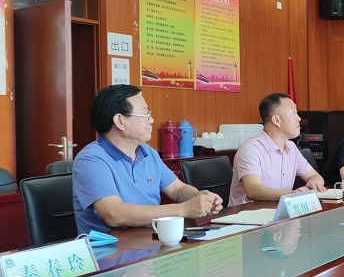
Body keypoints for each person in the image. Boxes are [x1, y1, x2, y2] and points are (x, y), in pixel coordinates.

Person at [73, 85, 222, 234]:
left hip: (151, 240)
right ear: (120, 121)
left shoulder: (148, 152)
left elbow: (177, 189)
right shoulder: (91, 159)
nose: (151, 120)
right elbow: (114, 214)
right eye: (145, 114)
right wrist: (183, 209)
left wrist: (200, 198)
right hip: (112, 246)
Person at [229, 93, 326, 206]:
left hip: (278, 212)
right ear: (276, 120)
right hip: (247, 214)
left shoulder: (291, 147)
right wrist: (292, 194)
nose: (299, 118)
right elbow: (252, 189)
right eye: (293, 113)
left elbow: (314, 176)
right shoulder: (251, 149)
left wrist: (314, 183)